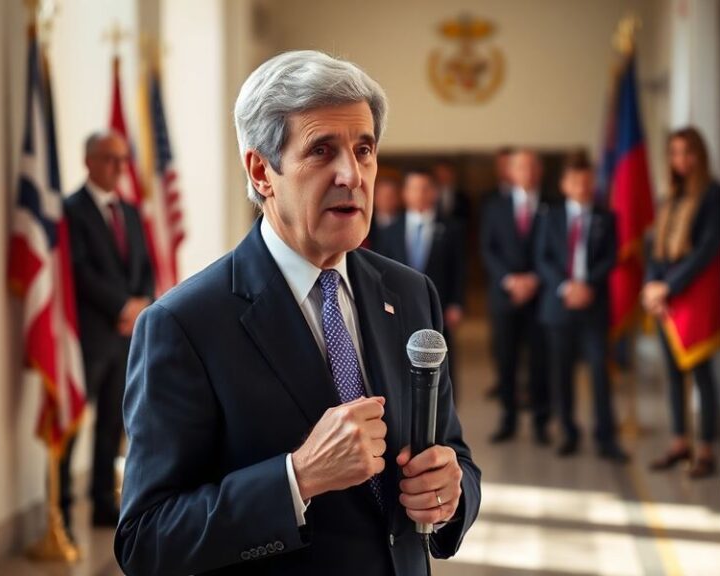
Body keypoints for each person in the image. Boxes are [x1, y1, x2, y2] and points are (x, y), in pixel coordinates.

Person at [115, 50, 480, 576]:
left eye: (364, 149)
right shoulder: (183, 325)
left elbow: (454, 453)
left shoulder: (411, 292)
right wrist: (296, 478)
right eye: (322, 150)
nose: (351, 175)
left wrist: (452, 492)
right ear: (262, 170)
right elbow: (146, 542)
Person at [62, 131, 154, 532]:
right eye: (110, 159)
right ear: (89, 162)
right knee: (71, 420)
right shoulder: (71, 210)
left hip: (126, 336)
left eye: (123, 159)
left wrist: (142, 305)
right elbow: (79, 270)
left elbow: (146, 268)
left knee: (112, 424)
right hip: (89, 335)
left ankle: (102, 502)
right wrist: (122, 306)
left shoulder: (131, 211)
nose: (120, 167)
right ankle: (60, 503)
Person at [535, 150, 628, 462]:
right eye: (576, 181)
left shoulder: (606, 217)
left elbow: (610, 257)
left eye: (587, 181)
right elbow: (542, 257)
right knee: (561, 373)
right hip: (558, 306)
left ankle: (606, 437)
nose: (582, 186)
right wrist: (566, 287)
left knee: (600, 372)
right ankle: (569, 432)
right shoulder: (550, 216)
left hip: (594, 307)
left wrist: (588, 286)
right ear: (564, 184)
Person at [643, 127, 720, 479]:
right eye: (675, 153)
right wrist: (651, 286)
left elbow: (706, 249)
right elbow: (656, 249)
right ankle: (680, 442)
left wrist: (667, 287)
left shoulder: (712, 195)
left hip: (694, 296)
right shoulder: (670, 197)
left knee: (702, 375)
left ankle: (705, 448)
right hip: (666, 298)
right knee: (673, 374)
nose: (681, 160)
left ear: (699, 156)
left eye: (687, 153)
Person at [373, 169, 466, 402]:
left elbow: (459, 269)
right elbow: (381, 272)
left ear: (434, 192)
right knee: (401, 362)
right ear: (404, 193)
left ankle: (445, 415)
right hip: (399, 310)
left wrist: (457, 303)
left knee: (442, 363)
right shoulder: (390, 230)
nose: (420, 194)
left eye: (425, 188)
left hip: (440, 308)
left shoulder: (452, 228)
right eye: (414, 188)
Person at [480, 149, 550, 444]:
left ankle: (541, 423)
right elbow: (488, 248)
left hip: (541, 296)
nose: (527, 172)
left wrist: (534, 279)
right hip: (505, 296)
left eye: (533, 166)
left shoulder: (552, 205)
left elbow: (556, 251)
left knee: (540, 361)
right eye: (521, 167)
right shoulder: (495, 206)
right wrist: (510, 281)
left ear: (540, 171)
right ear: (510, 171)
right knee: (506, 360)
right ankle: (508, 419)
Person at [366, 175, 402, 248]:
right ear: (374, 197)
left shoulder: (405, 223)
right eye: (382, 195)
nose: (385, 200)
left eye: (390, 196)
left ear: (398, 198)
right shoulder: (365, 221)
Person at [432, 160, 470, 225]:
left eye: (445, 173)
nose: (442, 177)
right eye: (440, 173)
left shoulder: (462, 197)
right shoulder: (429, 195)